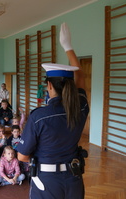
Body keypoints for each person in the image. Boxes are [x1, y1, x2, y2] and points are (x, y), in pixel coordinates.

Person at [17, 23, 89, 199]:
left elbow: (22, 156)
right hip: (74, 179)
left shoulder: (39, 117)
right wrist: (68, 47)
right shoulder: (80, 107)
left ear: (49, 85)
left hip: (47, 182)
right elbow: (80, 77)